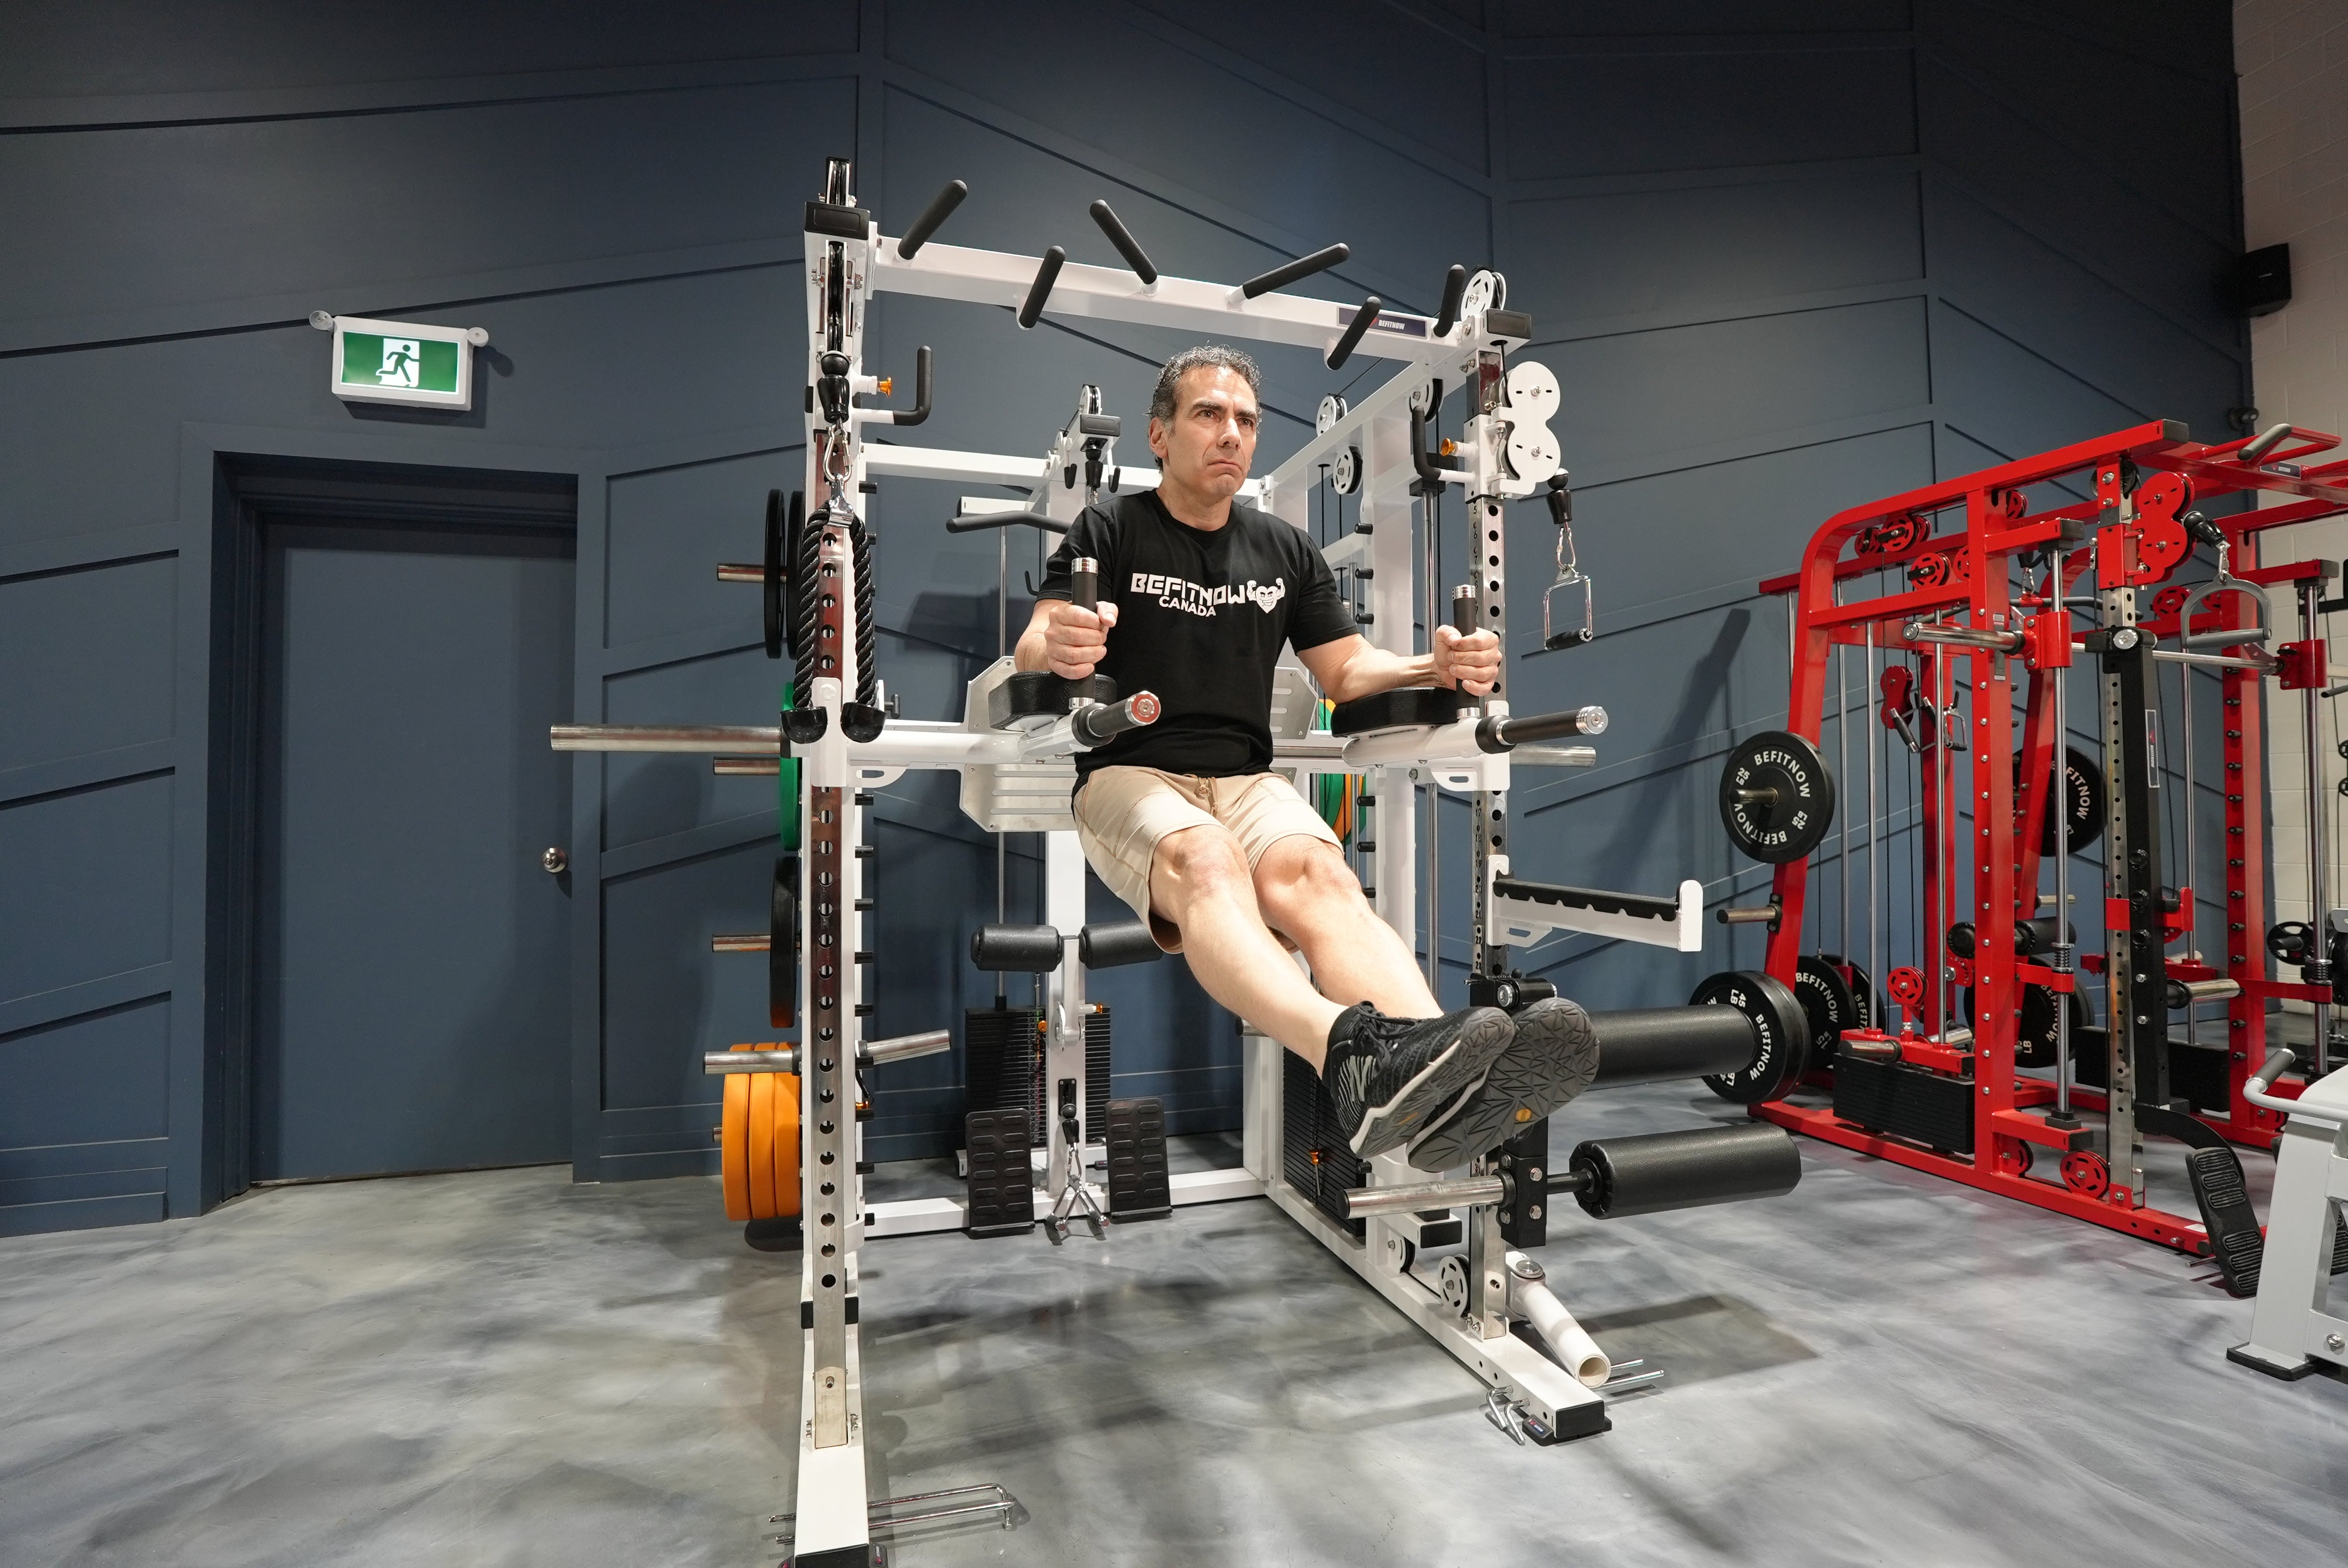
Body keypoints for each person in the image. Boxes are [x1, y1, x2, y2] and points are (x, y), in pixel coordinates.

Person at [1016, 345, 1597, 1170]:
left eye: (1247, 420)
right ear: (1160, 434)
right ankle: (1347, 1057)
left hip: (1245, 778)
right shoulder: (1111, 528)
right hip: (1129, 772)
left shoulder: (1285, 548)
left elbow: (1348, 671)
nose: (1232, 433)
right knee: (1206, 859)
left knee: (1323, 877)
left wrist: (1435, 665)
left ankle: (1442, 1083)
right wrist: (1058, 643)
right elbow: (1036, 641)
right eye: (1209, 414)